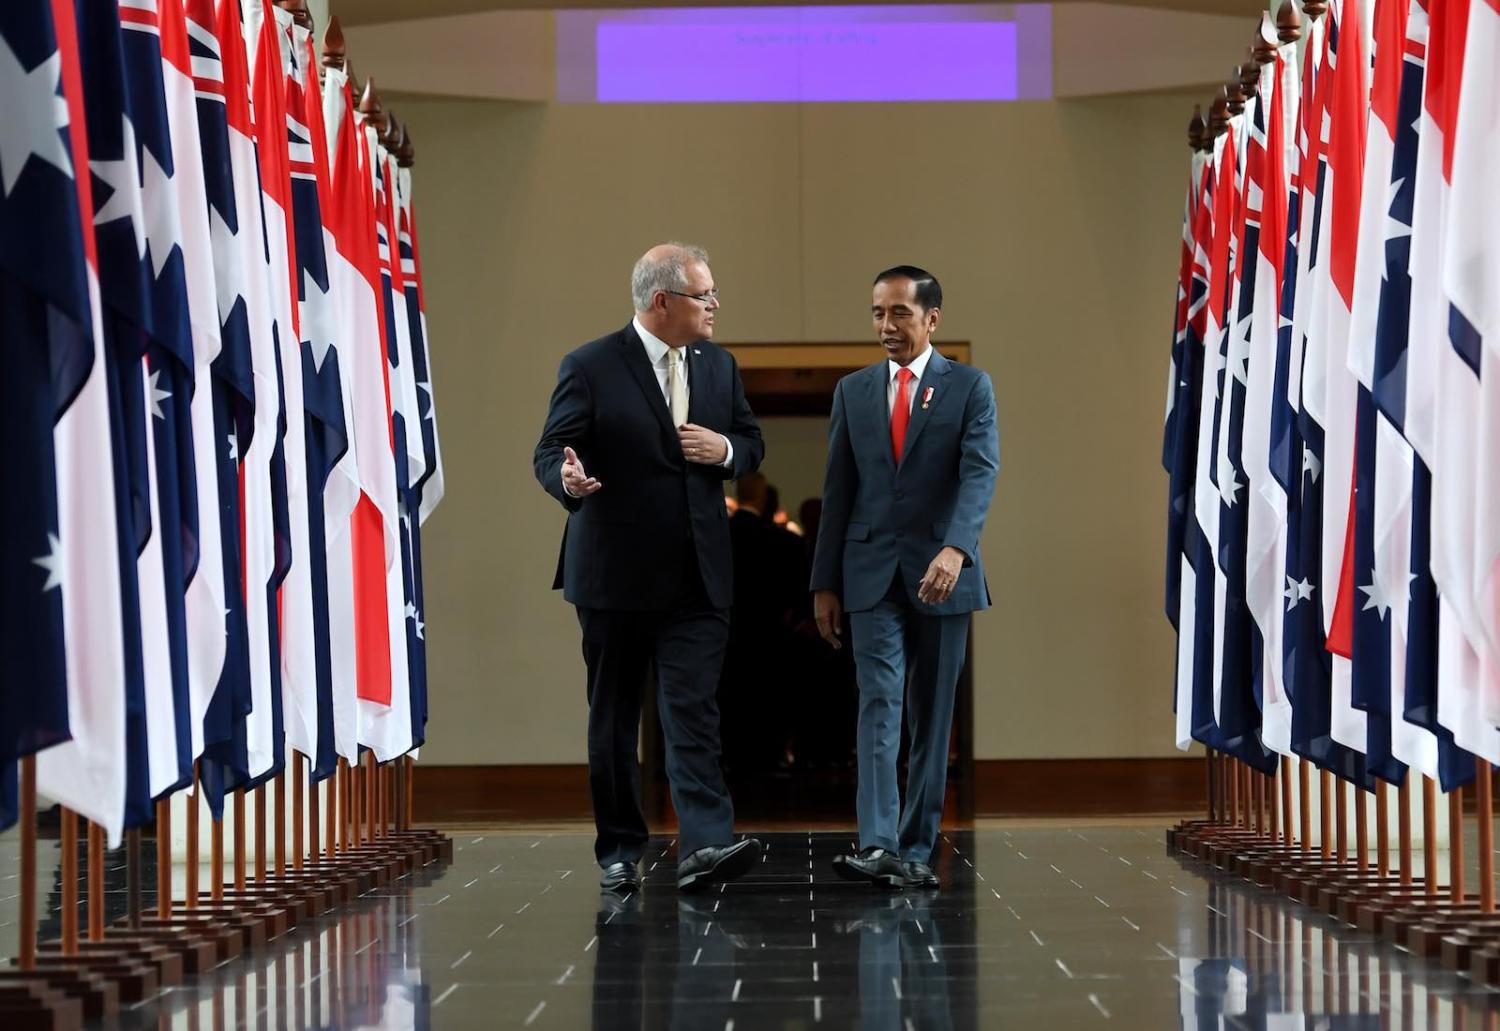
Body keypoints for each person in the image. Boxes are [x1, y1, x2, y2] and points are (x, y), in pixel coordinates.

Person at [534, 243, 765, 893]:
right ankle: (619, 849)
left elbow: (751, 442)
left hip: (698, 574)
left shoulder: (719, 366)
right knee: (614, 716)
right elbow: (552, 449)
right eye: (705, 295)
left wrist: (724, 449)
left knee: (692, 709)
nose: (716, 305)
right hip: (614, 574)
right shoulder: (590, 365)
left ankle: (706, 845)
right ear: (662, 301)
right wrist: (568, 480)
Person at [809, 265, 999, 889]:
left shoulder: (970, 387)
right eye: (877, 314)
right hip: (868, 576)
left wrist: (957, 550)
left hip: (943, 573)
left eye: (900, 314)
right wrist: (824, 582)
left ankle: (917, 850)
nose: (886, 326)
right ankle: (879, 844)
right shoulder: (853, 392)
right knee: (878, 702)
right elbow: (837, 493)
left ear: (932, 319)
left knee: (931, 713)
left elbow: (979, 475)